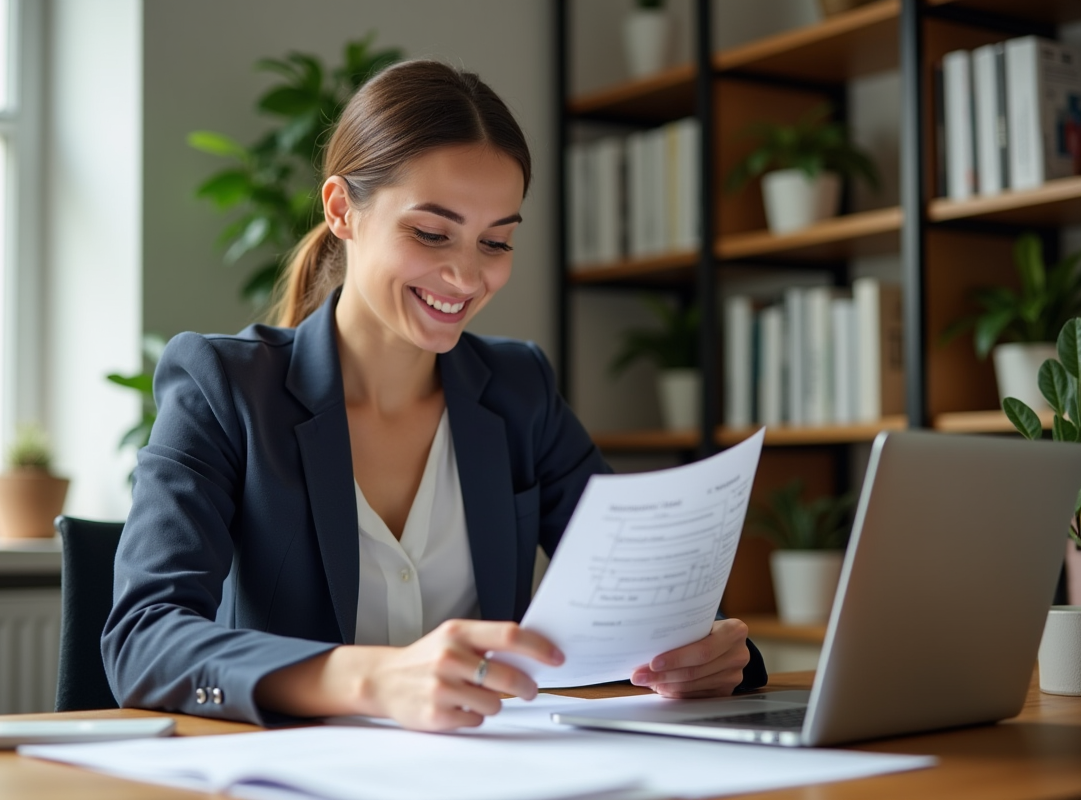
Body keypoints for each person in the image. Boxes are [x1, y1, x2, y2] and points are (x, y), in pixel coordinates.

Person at [102, 59, 767, 732]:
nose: (467, 276)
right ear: (341, 210)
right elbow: (142, 639)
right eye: (431, 233)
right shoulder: (224, 387)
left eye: (496, 241)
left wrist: (707, 652)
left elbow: (647, 597)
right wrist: (369, 680)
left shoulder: (519, 392)